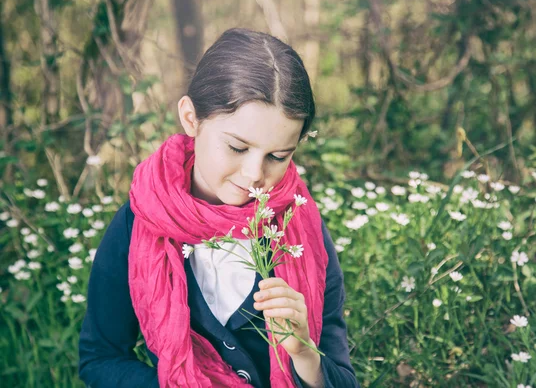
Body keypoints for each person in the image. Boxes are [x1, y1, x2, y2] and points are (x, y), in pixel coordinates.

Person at [78, 28, 359, 388]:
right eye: (238, 148)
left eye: (277, 156)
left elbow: (342, 380)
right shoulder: (139, 221)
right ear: (191, 118)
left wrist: (304, 353)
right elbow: (100, 358)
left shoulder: (299, 227)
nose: (255, 174)